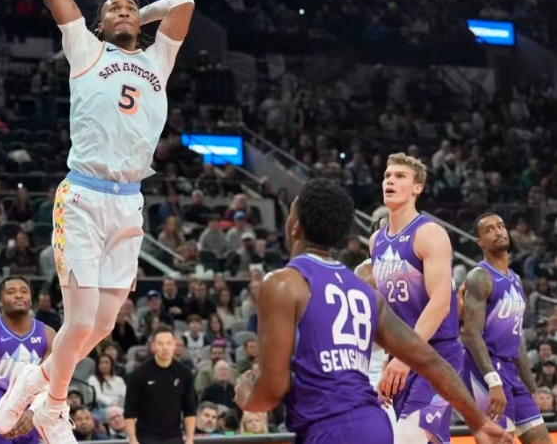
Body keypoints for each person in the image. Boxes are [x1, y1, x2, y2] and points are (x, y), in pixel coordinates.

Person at [0, 0, 195, 444]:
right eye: (114, 9)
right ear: (98, 24)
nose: (124, 11)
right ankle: (54, 406)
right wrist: (109, 12)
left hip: (129, 203)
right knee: (80, 320)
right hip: (84, 195)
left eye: (130, 8)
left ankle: (36, 378)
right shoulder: (86, 48)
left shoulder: (157, 60)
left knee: (103, 324)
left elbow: (186, 3)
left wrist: (139, 12)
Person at [233, 177, 511, 444]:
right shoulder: (365, 291)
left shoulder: (281, 284)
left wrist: (247, 396)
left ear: (295, 226)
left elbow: (272, 389)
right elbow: (431, 362)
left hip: (328, 430)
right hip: (374, 425)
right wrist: (477, 421)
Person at [370, 153, 463, 444]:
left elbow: (440, 303)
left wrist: (404, 356)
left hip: (437, 355)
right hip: (403, 355)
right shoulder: (376, 241)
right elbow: (387, 308)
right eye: (387, 176)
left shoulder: (429, 233)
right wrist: (389, 358)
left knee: (407, 438)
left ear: (417, 188)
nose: (390, 181)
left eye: (400, 176)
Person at [460, 212, 550, 443]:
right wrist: (493, 381)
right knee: (500, 441)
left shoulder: (516, 279)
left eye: (500, 226)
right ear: (479, 242)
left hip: (510, 370)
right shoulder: (480, 276)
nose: (498, 231)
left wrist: (531, 387)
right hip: (485, 369)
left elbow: (516, 339)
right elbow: (470, 334)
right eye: (489, 229)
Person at [0, 277, 55, 444]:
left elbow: (52, 383)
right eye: (11, 292)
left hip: (31, 420)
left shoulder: (48, 335)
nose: (19, 295)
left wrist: (33, 412)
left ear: (31, 299)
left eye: (24, 291)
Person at [353, 217, 395, 431]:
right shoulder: (367, 271)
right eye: (384, 229)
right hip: (376, 363)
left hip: (405, 359)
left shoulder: (411, 266)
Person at [124, 325, 196, 444]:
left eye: (168, 343)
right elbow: (129, 411)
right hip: (146, 437)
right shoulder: (139, 374)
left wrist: (189, 439)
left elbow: (189, 409)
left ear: (174, 345)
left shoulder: (184, 374)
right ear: (153, 346)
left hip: (174, 437)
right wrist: (132, 440)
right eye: (160, 344)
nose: (165, 348)